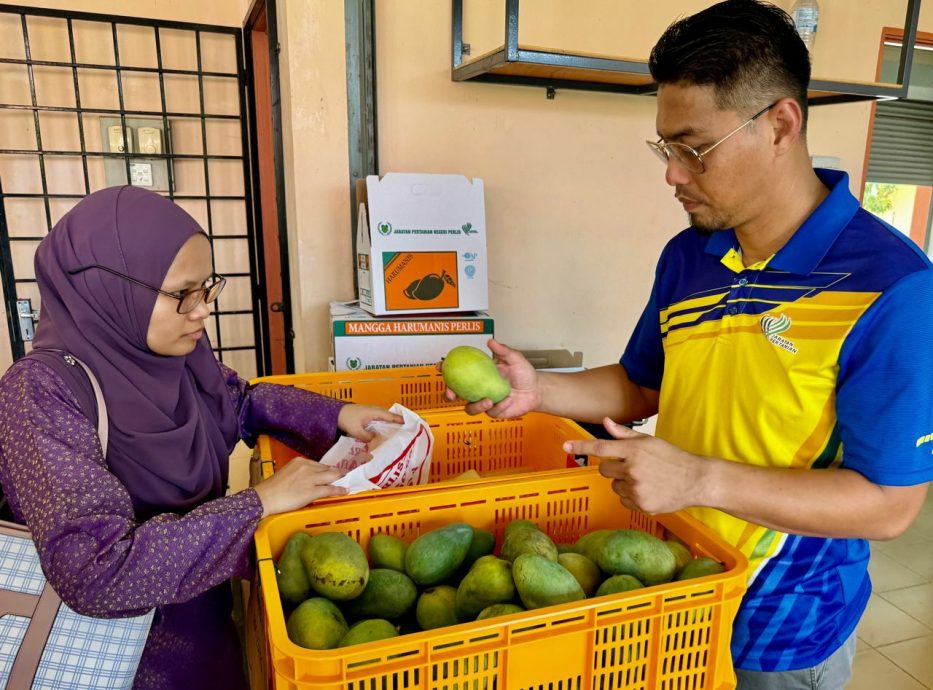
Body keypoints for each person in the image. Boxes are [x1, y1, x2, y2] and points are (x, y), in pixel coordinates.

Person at [449, 1, 933, 688]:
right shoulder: (689, 256)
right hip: (671, 588)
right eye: (664, 148)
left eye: (692, 147)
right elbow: (644, 384)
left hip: (781, 625)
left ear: (779, 125)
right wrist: (539, 390)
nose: (672, 174)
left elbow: (889, 505)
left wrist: (698, 480)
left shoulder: (892, 286)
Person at [0, 185, 402, 689]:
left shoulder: (177, 357)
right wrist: (256, 505)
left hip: (207, 635)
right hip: (119, 664)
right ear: (109, 291)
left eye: (208, 287)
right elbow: (95, 572)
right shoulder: (37, 394)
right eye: (182, 295)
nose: (203, 311)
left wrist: (340, 414)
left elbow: (239, 402)